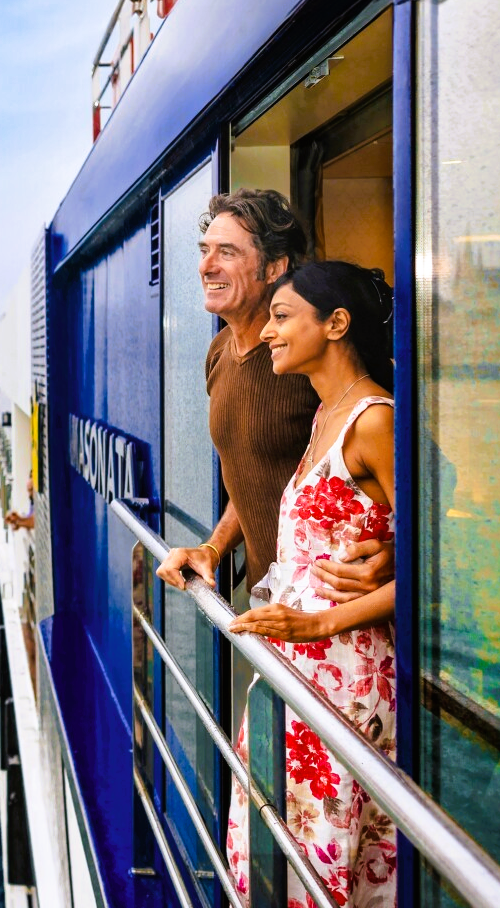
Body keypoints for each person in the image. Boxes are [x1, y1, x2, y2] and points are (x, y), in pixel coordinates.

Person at [222, 260, 399, 908]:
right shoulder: (323, 414)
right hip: (300, 673)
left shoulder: (373, 418)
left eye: (283, 315)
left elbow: (442, 559)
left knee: (329, 870)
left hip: (346, 680)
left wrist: (321, 621)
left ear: (336, 323)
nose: (268, 331)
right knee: (291, 859)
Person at [155, 189, 391, 603]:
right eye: (204, 250)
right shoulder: (219, 353)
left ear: (273, 268)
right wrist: (213, 547)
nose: (206, 266)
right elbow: (252, 475)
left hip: (334, 611)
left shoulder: (309, 358)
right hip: (272, 601)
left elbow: (421, 478)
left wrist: (397, 558)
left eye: (226, 252)